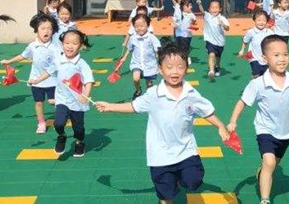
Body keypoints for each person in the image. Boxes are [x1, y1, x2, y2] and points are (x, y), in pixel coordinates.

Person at [95, 45, 230, 204]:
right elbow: (134, 106)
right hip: (160, 155)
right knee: (167, 196)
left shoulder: (190, 93)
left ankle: (179, 180)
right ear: (160, 69)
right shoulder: (153, 94)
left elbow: (207, 112)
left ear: (186, 69)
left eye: (180, 67)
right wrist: (110, 106)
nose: (175, 72)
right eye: (169, 67)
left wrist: (221, 126)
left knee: (193, 181)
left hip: (186, 151)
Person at [226, 36, 289, 204]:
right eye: (276, 55)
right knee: (270, 162)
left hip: (286, 131)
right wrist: (233, 121)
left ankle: (262, 172)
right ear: (265, 59)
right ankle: (265, 199)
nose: (282, 59)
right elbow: (243, 102)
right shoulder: (258, 83)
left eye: (285, 55)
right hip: (265, 129)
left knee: (273, 164)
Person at [30, 29, 94, 158]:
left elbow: (89, 81)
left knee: (78, 128)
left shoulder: (82, 64)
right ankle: (62, 135)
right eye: (67, 43)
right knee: (58, 123)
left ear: (81, 46)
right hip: (62, 99)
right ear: (62, 44)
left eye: (74, 43)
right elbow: (48, 72)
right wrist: (37, 80)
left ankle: (79, 142)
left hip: (78, 102)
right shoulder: (58, 61)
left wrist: (85, 95)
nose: (70, 46)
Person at [0, 13, 61, 134]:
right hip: (35, 81)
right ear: (36, 30)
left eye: (49, 28)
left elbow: (58, 65)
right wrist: (9, 61)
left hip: (52, 80)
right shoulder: (32, 46)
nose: (46, 31)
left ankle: (59, 119)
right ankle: (41, 123)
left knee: (53, 101)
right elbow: (23, 56)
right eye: (43, 28)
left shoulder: (55, 48)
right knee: (38, 103)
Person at [118, 14, 162, 100]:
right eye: (136, 26)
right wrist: (124, 58)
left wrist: (158, 54)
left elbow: (158, 47)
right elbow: (130, 49)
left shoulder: (151, 37)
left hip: (149, 64)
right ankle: (138, 90)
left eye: (142, 26)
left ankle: (149, 96)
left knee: (149, 84)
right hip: (136, 63)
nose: (139, 28)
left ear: (148, 26)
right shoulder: (133, 38)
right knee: (136, 78)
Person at [197, 0, 229, 82]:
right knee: (211, 54)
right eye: (212, 8)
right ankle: (211, 70)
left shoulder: (222, 18)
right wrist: (199, 4)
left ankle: (217, 66)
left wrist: (222, 24)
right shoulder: (207, 16)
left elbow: (227, 28)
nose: (214, 9)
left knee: (218, 58)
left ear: (220, 9)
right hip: (210, 41)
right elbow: (202, 12)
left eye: (216, 7)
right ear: (209, 9)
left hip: (220, 42)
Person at [239, 10, 274, 78]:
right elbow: (245, 41)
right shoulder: (251, 32)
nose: (261, 22)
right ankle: (253, 85)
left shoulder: (270, 32)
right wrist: (242, 50)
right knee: (256, 74)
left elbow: (274, 43)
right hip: (254, 58)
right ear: (254, 20)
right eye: (259, 20)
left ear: (267, 21)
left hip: (266, 59)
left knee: (266, 76)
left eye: (264, 20)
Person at [174, 0, 197, 65]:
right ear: (184, 6)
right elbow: (174, 20)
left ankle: (186, 57)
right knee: (182, 47)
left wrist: (193, 21)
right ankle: (182, 60)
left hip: (188, 34)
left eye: (191, 5)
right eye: (189, 5)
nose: (191, 7)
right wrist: (174, 24)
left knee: (186, 48)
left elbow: (194, 22)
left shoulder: (192, 14)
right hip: (180, 34)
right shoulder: (179, 13)